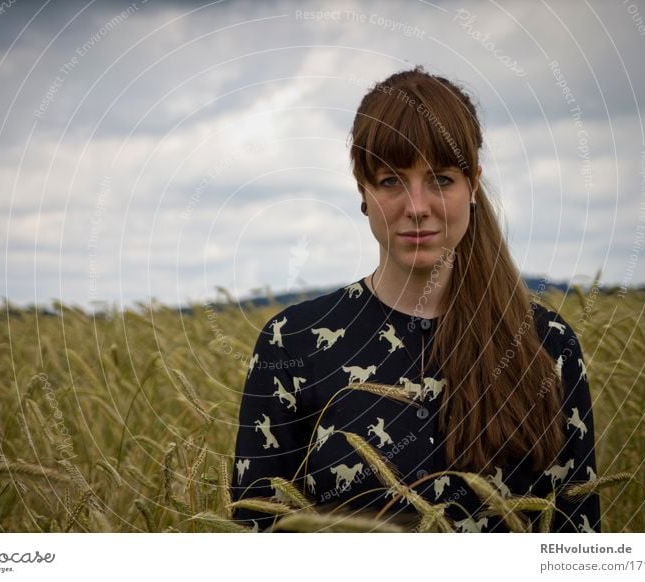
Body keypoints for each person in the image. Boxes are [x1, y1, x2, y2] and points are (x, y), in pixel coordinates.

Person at [229, 66, 601, 533]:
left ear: (473, 185)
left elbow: (577, 538)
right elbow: (256, 534)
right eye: (390, 180)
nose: (417, 206)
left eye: (441, 179)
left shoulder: (550, 346)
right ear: (362, 191)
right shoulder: (292, 344)